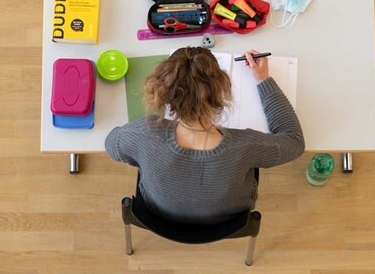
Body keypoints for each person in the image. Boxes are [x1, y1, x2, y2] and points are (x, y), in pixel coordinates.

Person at [105, 47, 304, 224]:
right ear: (220, 93)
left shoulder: (144, 134)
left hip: (158, 213)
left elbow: (111, 144)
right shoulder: (245, 146)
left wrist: (146, 158)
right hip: (229, 219)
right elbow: (294, 142)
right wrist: (264, 79)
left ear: (164, 94)